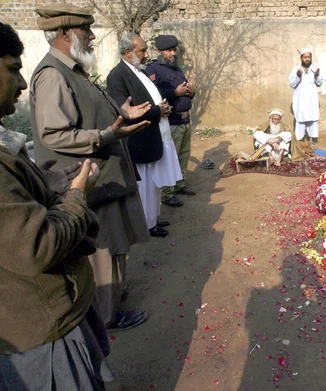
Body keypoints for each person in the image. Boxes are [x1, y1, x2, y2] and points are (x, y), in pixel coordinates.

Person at [0, 22, 115, 389]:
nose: (21, 83)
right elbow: (35, 246)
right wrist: (76, 195)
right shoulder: (51, 75)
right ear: (67, 32)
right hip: (41, 329)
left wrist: (40, 185)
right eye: (12, 68)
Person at [30, 3, 150, 331]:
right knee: (102, 255)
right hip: (89, 184)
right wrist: (107, 134)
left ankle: (112, 303)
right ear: (66, 33)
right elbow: (54, 134)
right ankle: (108, 316)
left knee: (113, 250)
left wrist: (120, 113)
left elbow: (86, 114)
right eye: (86, 30)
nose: (93, 36)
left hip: (105, 181)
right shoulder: (52, 73)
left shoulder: (71, 68)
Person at [107, 33, 183, 238]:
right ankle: (147, 225)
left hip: (154, 135)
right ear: (127, 52)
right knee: (146, 186)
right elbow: (126, 112)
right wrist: (158, 111)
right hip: (140, 139)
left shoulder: (139, 71)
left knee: (154, 185)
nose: (146, 54)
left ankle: (153, 219)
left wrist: (162, 107)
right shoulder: (117, 76)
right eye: (142, 50)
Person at [146, 35, 197, 208]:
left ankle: (179, 185)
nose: (173, 53)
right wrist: (175, 92)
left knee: (183, 155)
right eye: (169, 50)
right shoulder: (154, 70)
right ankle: (167, 194)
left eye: (174, 49)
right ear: (159, 52)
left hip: (184, 120)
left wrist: (190, 91)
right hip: (171, 122)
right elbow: (153, 94)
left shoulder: (175, 68)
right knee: (170, 159)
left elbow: (184, 90)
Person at [288, 47, 323, 145]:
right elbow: (291, 84)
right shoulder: (296, 70)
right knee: (300, 121)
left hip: (312, 102)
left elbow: (320, 83)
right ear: (301, 58)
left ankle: (313, 145)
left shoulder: (315, 69)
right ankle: (300, 145)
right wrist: (298, 77)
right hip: (301, 102)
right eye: (305, 57)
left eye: (308, 57)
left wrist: (316, 77)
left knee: (313, 122)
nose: (307, 59)